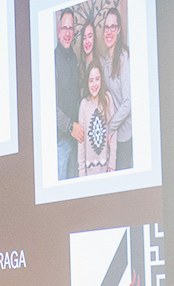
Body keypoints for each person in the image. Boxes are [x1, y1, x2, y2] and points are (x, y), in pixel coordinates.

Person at [101, 7, 132, 170]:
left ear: (119, 30)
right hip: (113, 137)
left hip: (124, 136)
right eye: (107, 27)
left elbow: (128, 103)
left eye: (113, 27)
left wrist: (110, 128)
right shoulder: (107, 58)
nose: (109, 31)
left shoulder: (123, 57)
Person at [55, 7, 83, 180]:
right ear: (59, 32)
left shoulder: (73, 58)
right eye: (64, 28)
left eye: (70, 28)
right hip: (62, 141)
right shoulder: (52, 59)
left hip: (76, 140)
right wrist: (70, 126)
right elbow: (49, 106)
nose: (67, 33)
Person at [78, 59, 116, 176]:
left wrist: (112, 163)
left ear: (101, 80)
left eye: (97, 79)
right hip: (89, 172)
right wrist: (81, 172)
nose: (94, 84)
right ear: (87, 83)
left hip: (106, 169)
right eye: (91, 80)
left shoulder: (107, 99)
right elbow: (81, 142)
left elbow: (113, 133)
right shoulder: (84, 104)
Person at [79, 16, 99, 88]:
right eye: (84, 38)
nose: (87, 41)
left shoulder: (101, 64)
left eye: (90, 36)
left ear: (94, 38)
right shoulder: (80, 67)